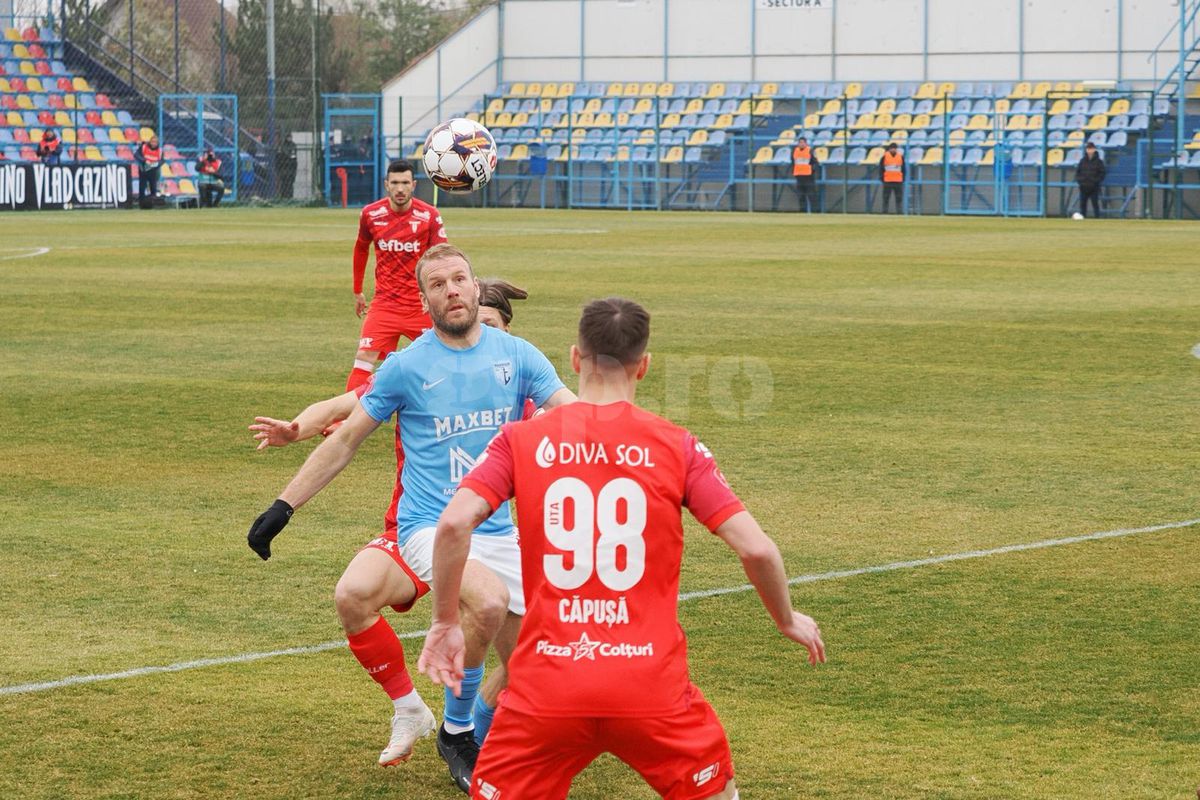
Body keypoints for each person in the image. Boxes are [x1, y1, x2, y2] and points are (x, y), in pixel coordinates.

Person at [419, 297, 827, 800]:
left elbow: (455, 523)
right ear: (645, 366)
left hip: (547, 687)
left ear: (574, 358)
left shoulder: (519, 440)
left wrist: (443, 623)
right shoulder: (677, 445)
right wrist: (786, 619)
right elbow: (758, 551)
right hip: (650, 685)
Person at [246, 245, 575, 791]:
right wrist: (283, 506)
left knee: (528, 670)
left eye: (459, 279)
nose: (452, 290)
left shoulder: (519, 355)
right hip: (427, 527)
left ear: (475, 287)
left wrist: (654, 444)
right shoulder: (406, 366)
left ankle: (491, 744)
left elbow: (575, 410)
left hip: (495, 530)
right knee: (485, 602)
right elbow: (345, 437)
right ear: (424, 302)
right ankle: (457, 732)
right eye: (439, 284)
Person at [347, 159, 447, 393]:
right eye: (395, 183)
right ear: (386, 185)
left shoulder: (429, 216)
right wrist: (357, 290)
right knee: (363, 357)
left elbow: (442, 258)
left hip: (420, 305)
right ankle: (344, 422)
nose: (400, 188)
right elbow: (361, 248)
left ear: (413, 185)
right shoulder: (371, 214)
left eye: (405, 183)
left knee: (442, 359)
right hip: (385, 304)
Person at [1075, 141, 1106, 218]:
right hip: (1083, 186)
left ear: (1094, 149)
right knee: (1082, 204)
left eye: (1091, 149)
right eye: (1088, 149)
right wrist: (1080, 181)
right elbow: (1078, 172)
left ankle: (1097, 218)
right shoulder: (1082, 161)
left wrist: (1096, 181)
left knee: (1095, 204)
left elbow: (1102, 173)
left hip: (1094, 187)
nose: (1090, 150)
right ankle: (1083, 218)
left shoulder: (1099, 162)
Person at [791, 135, 819, 213]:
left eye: (803, 142)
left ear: (806, 143)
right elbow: (793, 162)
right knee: (800, 196)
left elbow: (815, 162)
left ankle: (815, 212)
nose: (801, 144)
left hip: (808, 177)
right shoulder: (794, 151)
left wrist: (812, 171)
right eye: (800, 142)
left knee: (811, 195)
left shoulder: (810, 150)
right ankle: (802, 211)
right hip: (799, 176)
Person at [135, 134, 162, 203]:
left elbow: (162, 160)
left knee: (153, 186)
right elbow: (136, 155)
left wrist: (156, 164)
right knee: (142, 186)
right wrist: (144, 160)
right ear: (150, 142)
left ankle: (153, 201)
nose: (153, 143)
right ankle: (141, 201)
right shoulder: (144, 147)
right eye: (152, 141)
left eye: (155, 142)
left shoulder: (159, 151)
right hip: (143, 169)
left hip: (153, 170)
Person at [879, 141, 905, 214]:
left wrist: (903, 179)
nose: (893, 150)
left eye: (895, 148)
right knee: (886, 197)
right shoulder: (884, 157)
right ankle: (884, 211)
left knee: (899, 197)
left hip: (898, 180)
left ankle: (899, 212)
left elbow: (903, 169)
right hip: (887, 180)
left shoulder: (900, 157)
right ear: (889, 149)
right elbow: (881, 168)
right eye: (892, 148)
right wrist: (882, 178)